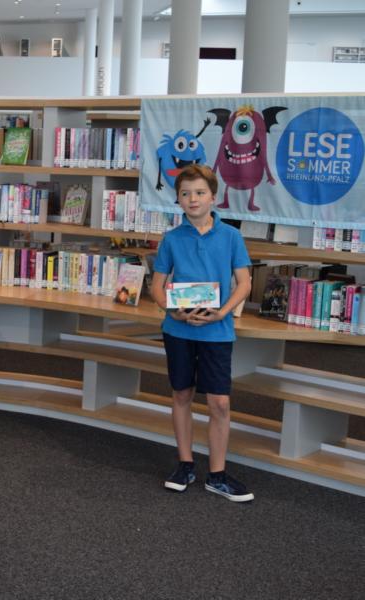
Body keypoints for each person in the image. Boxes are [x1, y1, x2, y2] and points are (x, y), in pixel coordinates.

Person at [149, 164, 254, 502]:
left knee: (219, 402)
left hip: (217, 331)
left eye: (199, 192)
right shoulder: (171, 239)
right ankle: (185, 464)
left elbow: (245, 282)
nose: (192, 199)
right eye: (185, 194)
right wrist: (173, 310)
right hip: (178, 329)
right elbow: (157, 285)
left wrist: (223, 312)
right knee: (181, 394)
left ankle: (218, 474)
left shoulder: (232, 237)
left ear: (213, 197)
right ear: (177, 200)